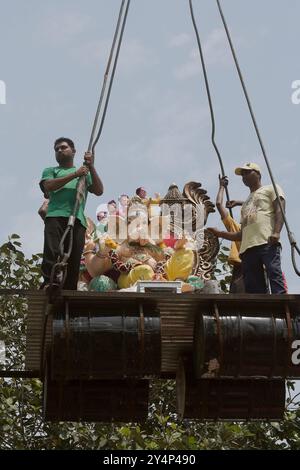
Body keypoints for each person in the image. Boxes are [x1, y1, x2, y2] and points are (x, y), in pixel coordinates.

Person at [208, 163, 286, 294]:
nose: (244, 176)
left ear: (258, 174)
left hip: (266, 241)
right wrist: (219, 233)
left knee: (274, 274)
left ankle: (283, 306)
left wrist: (277, 232)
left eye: (247, 172)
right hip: (247, 249)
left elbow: (280, 209)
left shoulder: (271, 188)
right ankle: (259, 311)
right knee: (253, 287)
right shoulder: (246, 205)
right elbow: (241, 234)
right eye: (242, 174)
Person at [40, 137, 103, 290]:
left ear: (73, 151)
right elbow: (49, 186)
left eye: (63, 147)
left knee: (74, 256)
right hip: (55, 215)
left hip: (77, 219)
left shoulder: (85, 173)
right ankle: (51, 282)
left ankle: (69, 288)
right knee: (53, 251)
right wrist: (75, 174)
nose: (60, 150)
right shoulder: (51, 171)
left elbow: (99, 190)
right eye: (57, 149)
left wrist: (91, 166)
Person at [215, 175, 244, 293]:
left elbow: (259, 204)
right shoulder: (237, 228)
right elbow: (218, 204)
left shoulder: (259, 229)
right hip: (240, 269)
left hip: (250, 269)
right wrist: (221, 187)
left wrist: (240, 203)